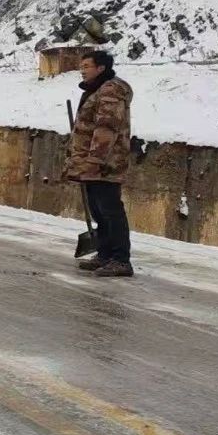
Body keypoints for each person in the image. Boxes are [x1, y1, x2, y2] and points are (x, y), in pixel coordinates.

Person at [64, 50, 135, 278]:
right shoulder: (97, 90)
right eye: (81, 66)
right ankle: (104, 254)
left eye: (86, 66)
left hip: (105, 163)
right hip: (92, 163)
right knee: (99, 210)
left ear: (101, 68)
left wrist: (95, 159)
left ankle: (120, 260)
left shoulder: (111, 90)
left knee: (110, 210)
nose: (82, 70)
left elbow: (107, 127)